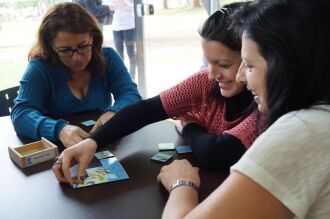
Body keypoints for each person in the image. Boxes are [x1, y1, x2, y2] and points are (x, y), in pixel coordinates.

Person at [53, 2, 264, 185]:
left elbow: (215, 153)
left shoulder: (266, 101)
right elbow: (146, 110)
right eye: (209, 63)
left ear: (250, 58)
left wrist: (190, 124)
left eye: (224, 64)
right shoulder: (204, 82)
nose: (211, 74)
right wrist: (92, 142)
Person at [157, 0, 330, 218]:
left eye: (248, 65)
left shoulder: (302, 132)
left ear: (286, 66)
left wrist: (182, 182)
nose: (240, 77)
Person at [11, 2, 141, 148]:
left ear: (93, 37)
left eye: (83, 46)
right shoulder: (39, 68)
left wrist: (114, 112)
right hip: (59, 150)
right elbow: (21, 114)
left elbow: (131, 94)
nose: (77, 58)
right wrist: (58, 129)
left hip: (102, 142)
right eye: (65, 50)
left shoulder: (108, 57)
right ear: (51, 46)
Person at [111, 0, 137, 80]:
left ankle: (132, 77)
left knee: (131, 53)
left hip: (129, 26)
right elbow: (108, 5)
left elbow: (136, 8)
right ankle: (122, 78)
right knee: (119, 54)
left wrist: (124, 2)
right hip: (116, 26)